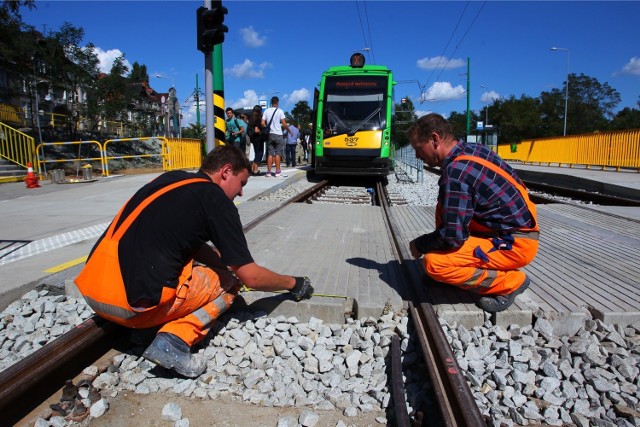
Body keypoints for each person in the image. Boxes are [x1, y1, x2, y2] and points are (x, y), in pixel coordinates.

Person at [74, 145, 314, 378]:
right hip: (133, 308)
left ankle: (149, 326)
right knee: (230, 283)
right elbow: (250, 276)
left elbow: (190, 242)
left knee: (198, 266)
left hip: (94, 291)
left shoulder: (170, 180)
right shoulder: (216, 200)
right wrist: (292, 283)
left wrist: (223, 261)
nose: (241, 193)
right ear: (226, 171)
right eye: (241, 184)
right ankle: (175, 340)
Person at [407, 113, 539, 313]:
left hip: (514, 244)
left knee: (434, 264)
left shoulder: (456, 174)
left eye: (418, 148)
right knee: (446, 207)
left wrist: (420, 244)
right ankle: (455, 273)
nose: (417, 156)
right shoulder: (473, 150)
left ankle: (512, 282)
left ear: (434, 139)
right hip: (513, 230)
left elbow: (452, 237)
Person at [261, 96, 291, 178]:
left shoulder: (266, 111)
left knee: (270, 154)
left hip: (270, 134)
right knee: (278, 153)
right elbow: (284, 124)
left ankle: (269, 172)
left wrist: (267, 127)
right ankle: (278, 172)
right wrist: (289, 131)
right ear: (277, 102)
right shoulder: (280, 111)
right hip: (278, 134)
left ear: (271, 102)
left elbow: (262, 123)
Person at [247, 105, 265, 176]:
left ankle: (252, 169)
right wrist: (262, 132)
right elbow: (256, 130)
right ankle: (255, 170)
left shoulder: (251, 118)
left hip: (253, 139)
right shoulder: (258, 119)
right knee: (259, 154)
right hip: (258, 138)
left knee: (256, 153)